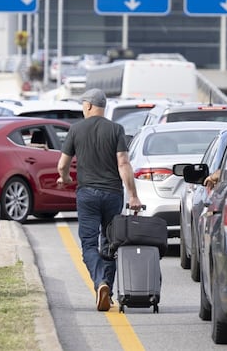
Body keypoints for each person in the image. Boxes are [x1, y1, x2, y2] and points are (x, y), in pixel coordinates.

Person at [57, 88, 141, 312]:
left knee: (88, 244)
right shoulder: (116, 129)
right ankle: (107, 292)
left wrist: (64, 179)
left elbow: (62, 165)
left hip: (87, 195)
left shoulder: (76, 130)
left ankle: (99, 283)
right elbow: (123, 163)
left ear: (88, 106)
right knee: (110, 244)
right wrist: (133, 195)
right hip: (113, 194)